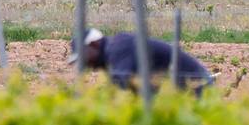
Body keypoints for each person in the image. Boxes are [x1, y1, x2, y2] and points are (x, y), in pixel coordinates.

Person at [75, 29, 216, 95]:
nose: (83, 64)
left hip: (196, 86)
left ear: (94, 45)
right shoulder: (113, 50)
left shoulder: (117, 48)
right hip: (183, 89)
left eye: (82, 57)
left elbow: (123, 86)